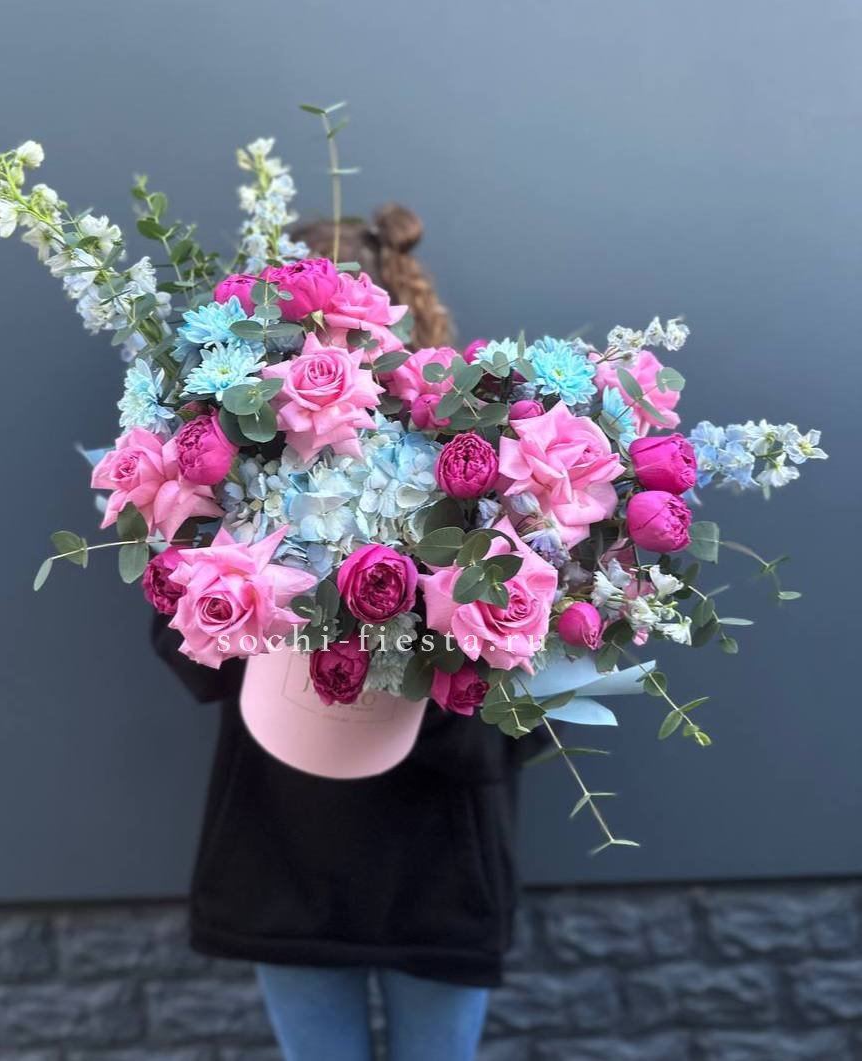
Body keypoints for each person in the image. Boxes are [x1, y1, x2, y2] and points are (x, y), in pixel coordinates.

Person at [152, 204, 549, 1061]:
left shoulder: (484, 450)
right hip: (392, 850)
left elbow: (188, 653)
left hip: (343, 850)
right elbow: (530, 695)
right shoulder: (480, 456)